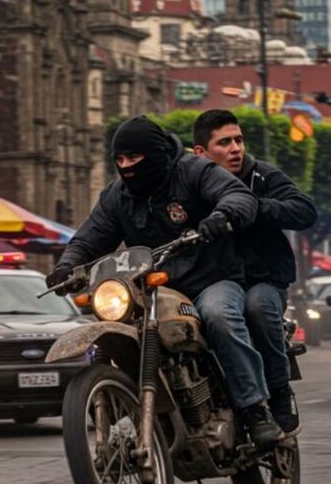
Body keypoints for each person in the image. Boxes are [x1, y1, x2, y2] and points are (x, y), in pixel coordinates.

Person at [46, 115, 284, 449]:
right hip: (149, 290)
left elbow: (238, 195)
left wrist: (223, 215)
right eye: (121, 159)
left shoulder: (194, 171)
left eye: (135, 158)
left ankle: (256, 408)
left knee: (220, 316)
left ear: (155, 153)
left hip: (210, 280)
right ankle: (124, 409)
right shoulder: (117, 196)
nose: (127, 166)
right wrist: (67, 265)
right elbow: (90, 238)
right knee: (119, 327)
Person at [192, 109, 317, 434]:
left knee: (258, 307)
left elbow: (304, 211)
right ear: (200, 153)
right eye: (225, 142)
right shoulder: (190, 182)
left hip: (264, 280)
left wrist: (254, 207)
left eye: (238, 140)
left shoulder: (261, 176)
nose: (236, 148)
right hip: (215, 280)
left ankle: (278, 391)